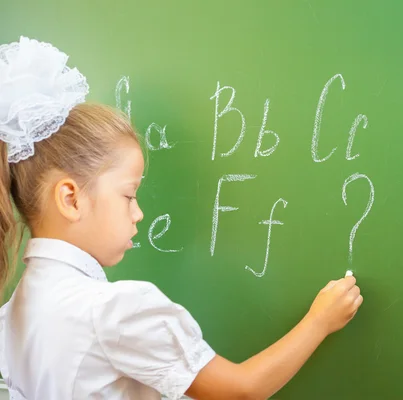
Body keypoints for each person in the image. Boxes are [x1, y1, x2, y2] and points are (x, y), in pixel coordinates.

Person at [0, 36, 363, 400]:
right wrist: (320, 321)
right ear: (70, 199)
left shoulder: (11, 317)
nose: (138, 213)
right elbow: (241, 390)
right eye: (128, 195)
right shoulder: (114, 312)